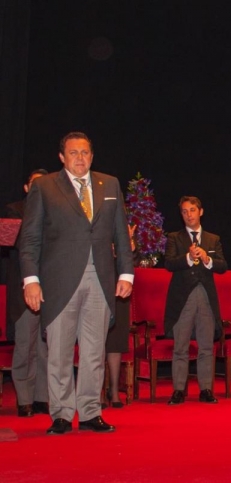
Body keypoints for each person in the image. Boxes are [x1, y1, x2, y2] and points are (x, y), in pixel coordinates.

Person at [18, 132, 133, 434]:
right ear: (61, 157)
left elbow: (121, 233)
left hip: (101, 281)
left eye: (85, 152)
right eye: (73, 153)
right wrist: (31, 280)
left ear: (92, 156)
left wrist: (126, 273)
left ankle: (91, 411)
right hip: (58, 282)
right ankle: (61, 414)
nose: (80, 158)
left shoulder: (109, 184)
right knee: (59, 352)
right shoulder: (44, 187)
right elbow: (29, 239)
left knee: (95, 351)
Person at [163, 196, 227, 405]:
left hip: (206, 297)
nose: (188, 214)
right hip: (183, 298)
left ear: (201, 212)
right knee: (180, 346)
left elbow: (223, 266)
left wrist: (207, 259)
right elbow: (169, 264)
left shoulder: (212, 238)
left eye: (192, 210)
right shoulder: (175, 238)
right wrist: (189, 258)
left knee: (206, 346)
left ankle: (206, 389)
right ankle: (179, 390)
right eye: (184, 211)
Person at [3, 169, 49, 417]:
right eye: (35, 184)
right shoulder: (15, 209)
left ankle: (42, 397)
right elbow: (23, 242)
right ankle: (24, 399)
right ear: (26, 187)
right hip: (24, 290)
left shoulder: (55, 210)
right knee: (25, 346)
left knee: (46, 347)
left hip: (50, 289)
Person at [103, 223, 136, 409]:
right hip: (97, 285)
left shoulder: (122, 227)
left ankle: (114, 391)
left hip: (119, 290)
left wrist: (128, 247)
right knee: (96, 343)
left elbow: (131, 263)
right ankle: (97, 392)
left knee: (115, 342)